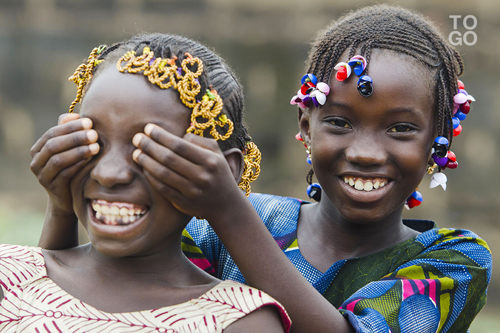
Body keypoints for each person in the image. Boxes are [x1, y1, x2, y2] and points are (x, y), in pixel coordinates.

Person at [37, 5, 492, 333]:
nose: (367, 153)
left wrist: (228, 209)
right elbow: (94, 301)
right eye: (339, 122)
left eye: (399, 129)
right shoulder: (224, 227)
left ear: (440, 140)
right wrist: (62, 206)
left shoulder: (454, 262)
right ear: (306, 126)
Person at [2, 33, 291, 332]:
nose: (109, 173)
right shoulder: (10, 276)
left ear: (223, 173)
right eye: (94, 142)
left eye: (148, 148)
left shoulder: (239, 321)